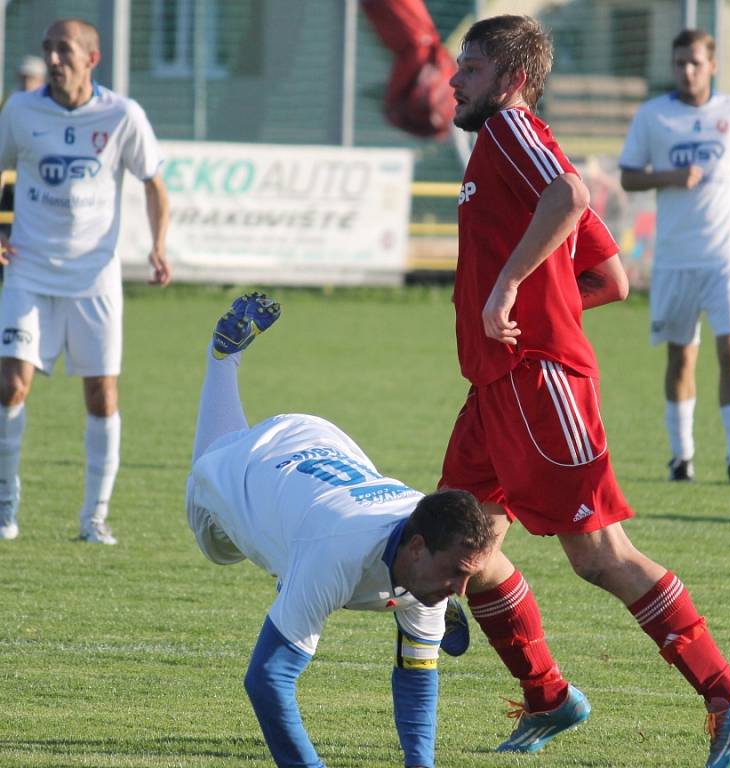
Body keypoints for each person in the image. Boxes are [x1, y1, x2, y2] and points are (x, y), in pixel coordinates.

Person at [440, 15, 730, 768]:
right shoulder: (507, 149)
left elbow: (569, 193)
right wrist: (527, 298)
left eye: (470, 67)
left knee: (599, 556)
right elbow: (609, 279)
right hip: (496, 387)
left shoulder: (510, 135)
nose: (455, 80)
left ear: (510, 81)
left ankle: (728, 690)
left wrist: (509, 292)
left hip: (539, 382)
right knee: (459, 545)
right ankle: (549, 696)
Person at [186, 292, 497, 768]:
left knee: (415, 608)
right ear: (416, 548)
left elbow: (416, 679)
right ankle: (222, 358)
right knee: (215, 525)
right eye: (456, 573)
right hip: (251, 471)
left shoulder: (426, 544)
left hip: (323, 448)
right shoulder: (338, 552)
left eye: (464, 576)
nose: (462, 588)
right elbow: (267, 680)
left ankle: (319, 582)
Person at [0, 18, 171, 544]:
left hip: (95, 278)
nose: (53, 59)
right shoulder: (21, 110)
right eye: (48, 49)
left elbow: (154, 184)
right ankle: (6, 508)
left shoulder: (122, 114)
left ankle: (93, 518)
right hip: (28, 270)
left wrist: (158, 245)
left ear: (91, 59)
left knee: (102, 395)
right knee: (10, 386)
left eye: (64, 51)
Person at [619, 29, 730, 484]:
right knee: (680, 358)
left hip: (725, 258)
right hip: (675, 259)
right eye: (679, 63)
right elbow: (629, 178)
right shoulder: (654, 116)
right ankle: (682, 458)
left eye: (695, 62)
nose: (687, 71)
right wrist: (671, 176)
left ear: (713, 65)